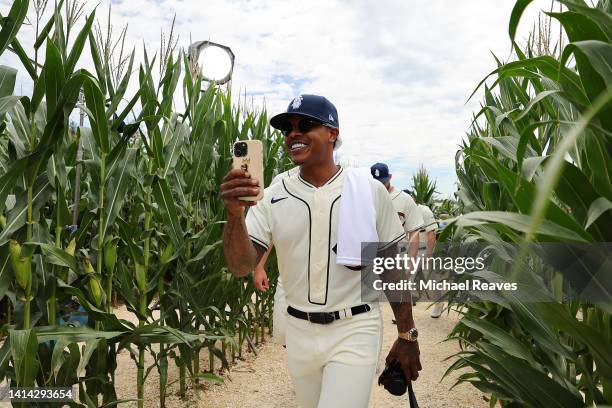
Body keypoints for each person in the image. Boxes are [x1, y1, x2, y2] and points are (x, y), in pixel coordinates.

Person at [221, 94, 421, 408]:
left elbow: (392, 267)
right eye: (287, 128)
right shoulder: (273, 194)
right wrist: (234, 216)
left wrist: (408, 335)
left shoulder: (367, 191)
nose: (293, 134)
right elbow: (241, 266)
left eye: (306, 125)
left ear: (333, 133)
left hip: (355, 328)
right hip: (299, 331)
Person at [371, 164, 424, 308]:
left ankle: (403, 325)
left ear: (390, 177)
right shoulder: (365, 197)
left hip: (395, 255)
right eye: (376, 182)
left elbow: (414, 231)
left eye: (383, 181)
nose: (380, 186)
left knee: (399, 299)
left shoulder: (405, 199)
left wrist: (410, 263)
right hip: (370, 255)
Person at [415, 202, 442, 318]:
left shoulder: (424, 211)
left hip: (425, 251)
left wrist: (429, 254)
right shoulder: (402, 213)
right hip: (409, 251)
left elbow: (432, 234)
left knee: (430, 281)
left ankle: (438, 304)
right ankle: (403, 312)